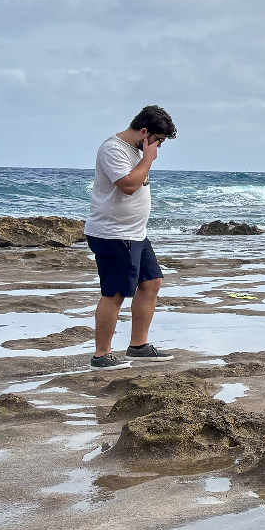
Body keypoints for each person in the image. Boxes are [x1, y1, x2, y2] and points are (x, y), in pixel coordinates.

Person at [85, 106, 178, 370]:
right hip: (113, 234)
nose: (158, 146)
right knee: (114, 293)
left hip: (136, 234)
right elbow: (127, 186)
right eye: (158, 140)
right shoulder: (113, 149)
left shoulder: (136, 151)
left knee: (152, 283)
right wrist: (148, 159)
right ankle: (101, 355)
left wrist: (144, 156)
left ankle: (138, 346)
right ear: (145, 132)